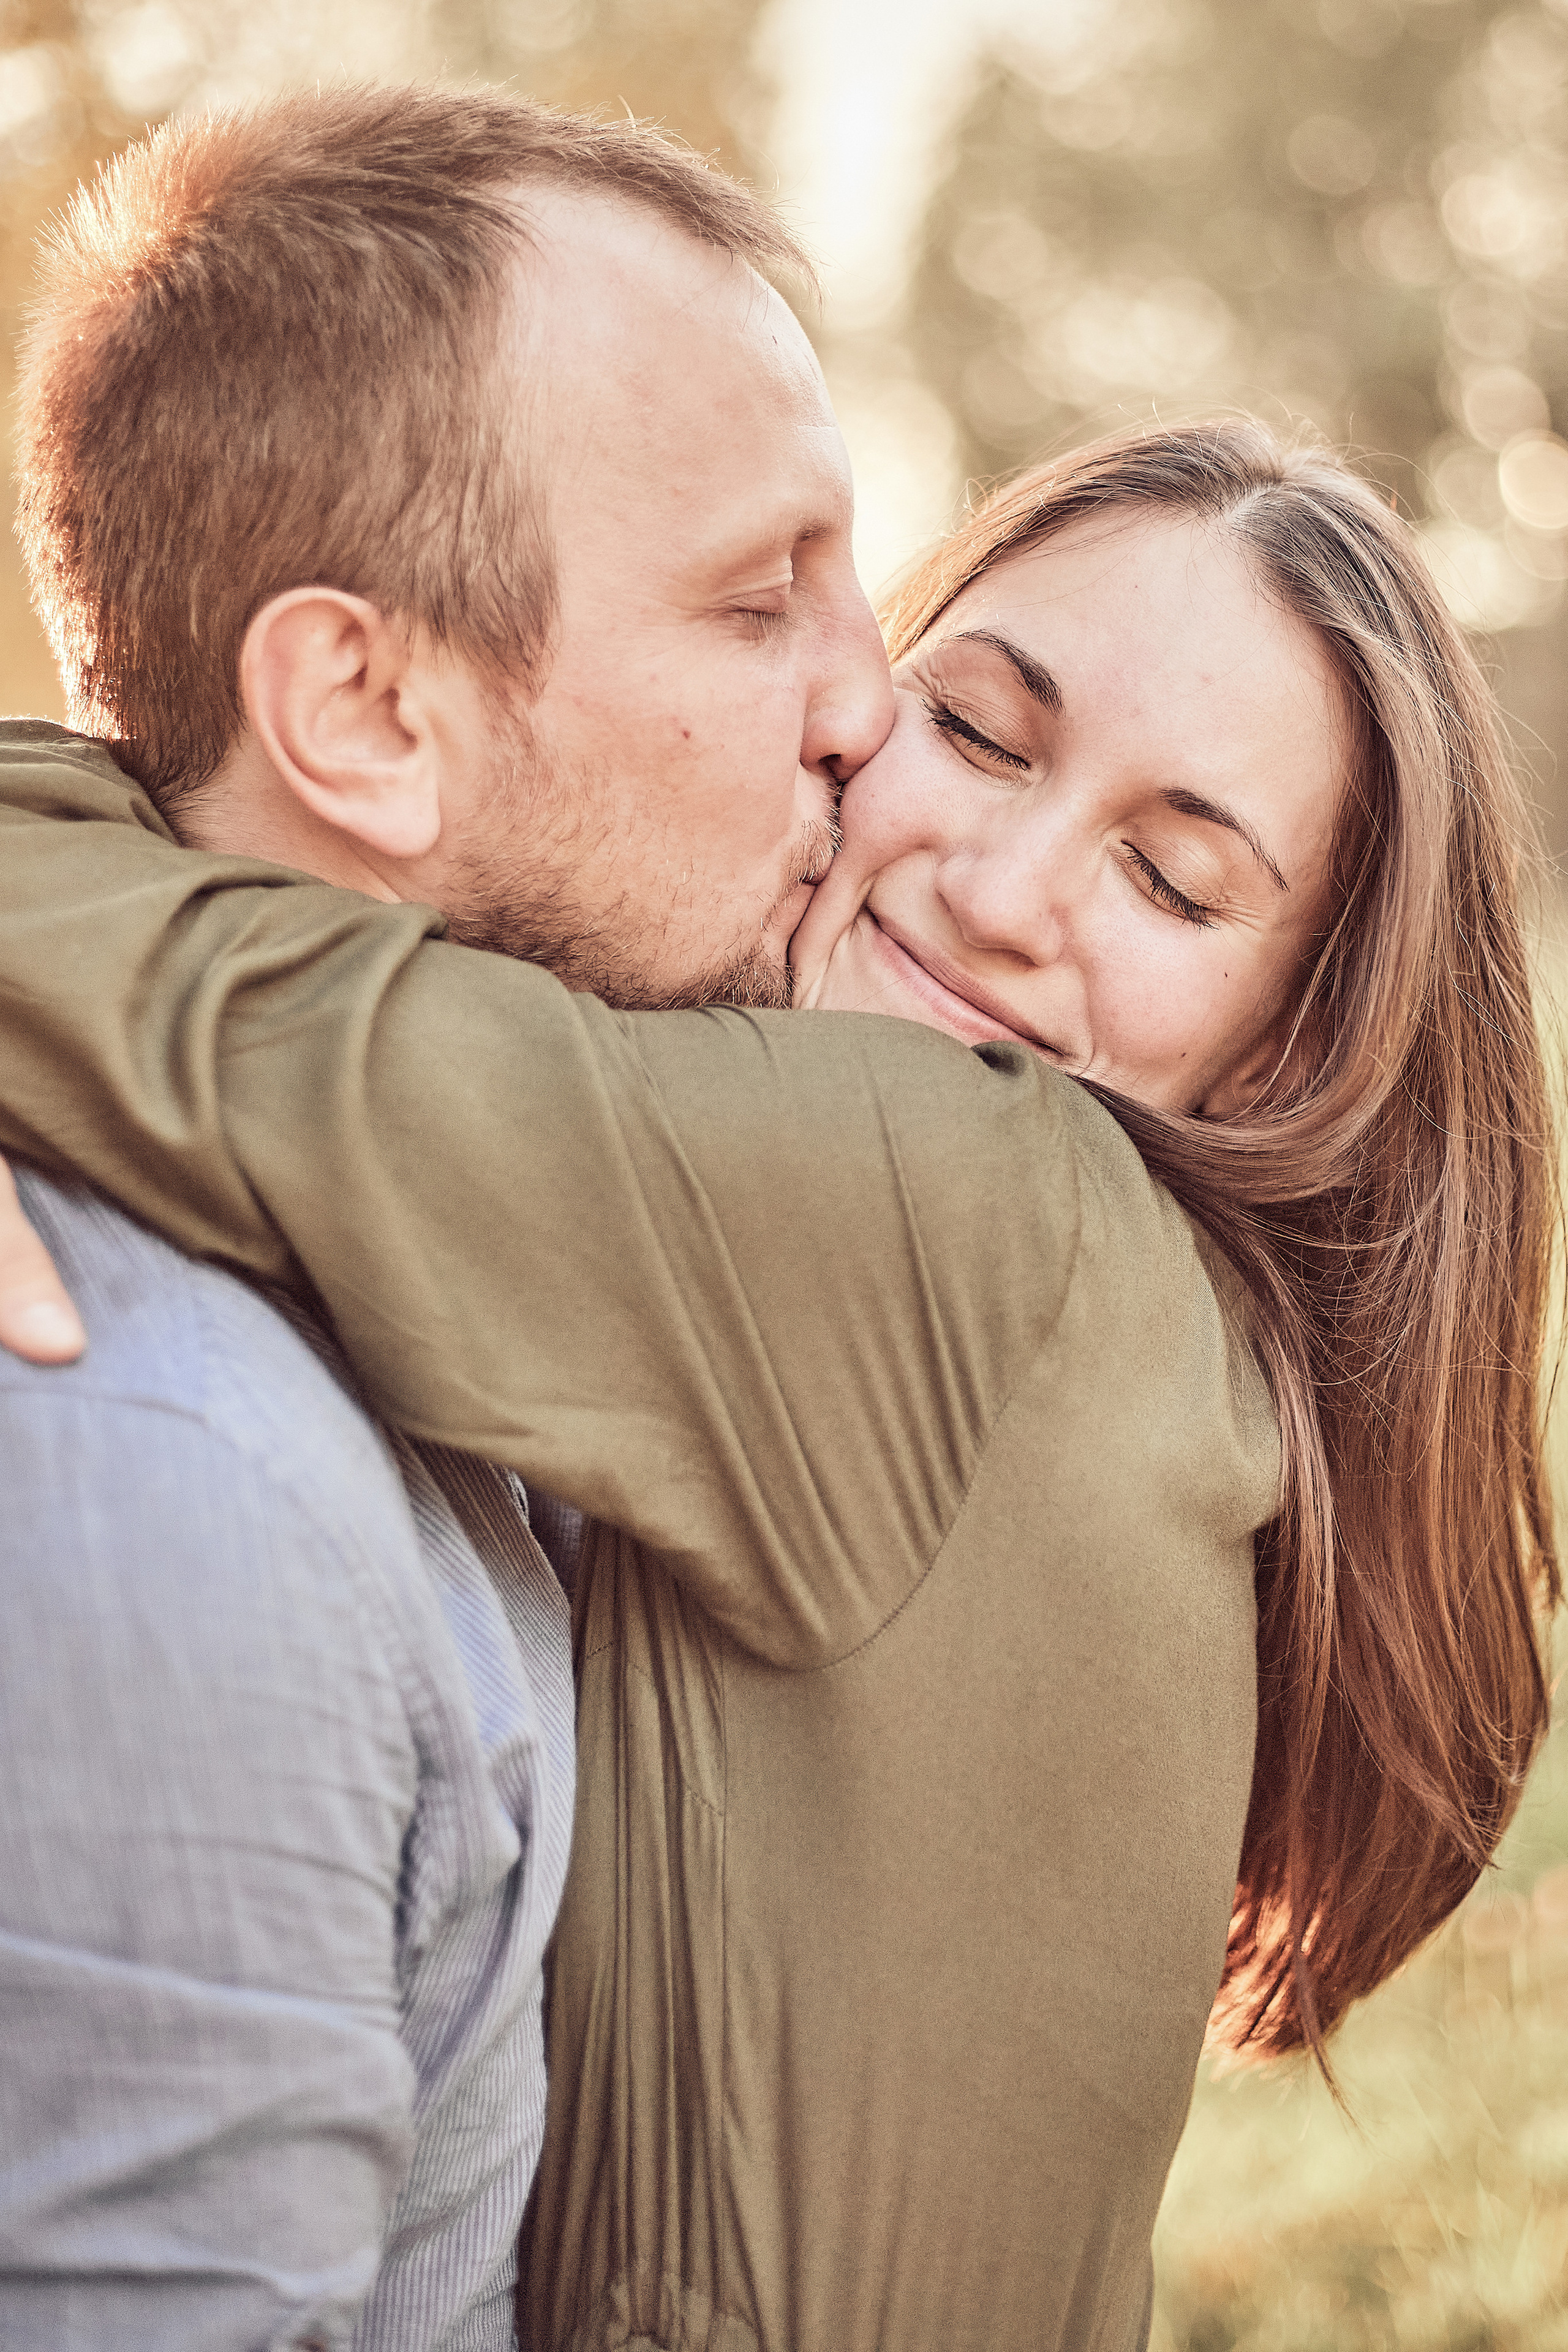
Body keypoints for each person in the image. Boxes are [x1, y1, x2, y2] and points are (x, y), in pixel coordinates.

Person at [0, 393, 1558, 2352]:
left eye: (1172, 881)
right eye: (980, 731)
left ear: (1282, 1049)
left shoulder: (989, 1215)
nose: (1001, 891)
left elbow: (210, 1017)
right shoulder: (1140, 1336)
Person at [0, 83, 892, 2351]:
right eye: (755, 599)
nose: (865, 706)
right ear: (367, 707)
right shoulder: (171, 1476)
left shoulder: (508, 1265)